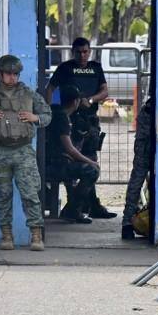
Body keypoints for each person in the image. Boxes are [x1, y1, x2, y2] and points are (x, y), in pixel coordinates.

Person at [0, 55, 52, 251]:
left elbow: (47, 115)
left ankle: (36, 235)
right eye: (8, 73)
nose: (12, 77)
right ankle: (6, 235)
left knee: (30, 194)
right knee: (3, 195)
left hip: (23, 152)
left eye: (15, 74)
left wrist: (35, 118)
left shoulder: (29, 94)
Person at [45, 37, 116, 219]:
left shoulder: (95, 68)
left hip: (89, 119)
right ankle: (74, 206)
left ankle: (90, 205)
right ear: (72, 52)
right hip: (70, 117)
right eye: (78, 52)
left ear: (90, 51)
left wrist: (91, 100)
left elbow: (105, 91)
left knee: (90, 158)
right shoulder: (65, 68)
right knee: (72, 159)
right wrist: (52, 109)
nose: (82, 55)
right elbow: (50, 88)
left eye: (85, 51)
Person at [46, 84, 100, 224]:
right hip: (53, 165)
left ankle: (72, 208)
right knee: (92, 171)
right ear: (75, 102)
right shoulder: (62, 118)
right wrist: (90, 162)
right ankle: (72, 210)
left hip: (51, 161)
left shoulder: (55, 112)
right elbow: (70, 149)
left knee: (76, 166)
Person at [121, 96, 153, 239]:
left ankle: (128, 222)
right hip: (149, 127)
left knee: (137, 179)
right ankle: (128, 221)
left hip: (150, 124)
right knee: (138, 179)